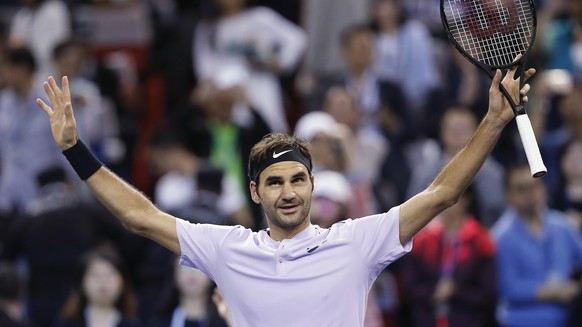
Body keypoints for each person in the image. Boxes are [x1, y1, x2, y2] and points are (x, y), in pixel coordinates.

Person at [36, 60, 533, 326]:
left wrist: (492, 121)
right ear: (256, 191)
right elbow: (140, 217)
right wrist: (76, 149)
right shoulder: (229, 249)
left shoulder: (357, 242)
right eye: (275, 182)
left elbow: (442, 193)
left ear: (312, 184)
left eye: (297, 179)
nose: (288, 192)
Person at [492, 164, 582, 327]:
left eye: (534, 185)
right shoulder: (500, 236)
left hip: (567, 317)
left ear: (543, 188)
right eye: (521, 188)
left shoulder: (562, 224)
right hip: (520, 320)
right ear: (508, 196)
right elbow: (507, 287)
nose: (530, 193)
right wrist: (555, 292)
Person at [402, 187, 497, 327]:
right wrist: (433, 292)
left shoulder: (481, 241)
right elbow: (409, 287)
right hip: (427, 320)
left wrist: (456, 292)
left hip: (468, 320)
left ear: (466, 200)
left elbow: (488, 293)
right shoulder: (422, 241)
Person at [55, 247, 141, 327]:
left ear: (122, 283)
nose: (103, 281)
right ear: (82, 283)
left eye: (109, 275)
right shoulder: (67, 323)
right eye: (95, 275)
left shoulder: (132, 324)